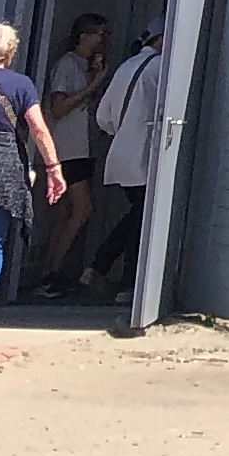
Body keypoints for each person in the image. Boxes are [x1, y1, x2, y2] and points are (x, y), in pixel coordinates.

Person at [0, 24, 70, 345]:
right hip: (1, 168)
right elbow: (37, 128)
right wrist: (53, 168)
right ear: (9, 53)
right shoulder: (20, 84)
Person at [72, 29, 170, 298]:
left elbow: (104, 117)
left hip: (120, 154)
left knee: (138, 216)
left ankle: (103, 271)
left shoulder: (128, 65)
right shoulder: (161, 67)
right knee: (142, 219)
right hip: (145, 156)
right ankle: (120, 281)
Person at [24, 13, 106, 298]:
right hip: (68, 148)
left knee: (65, 212)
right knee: (82, 208)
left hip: (81, 147)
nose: (101, 39)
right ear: (82, 35)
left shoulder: (85, 67)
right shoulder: (67, 65)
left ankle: (50, 272)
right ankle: (51, 272)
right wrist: (93, 86)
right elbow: (59, 108)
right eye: (96, 33)